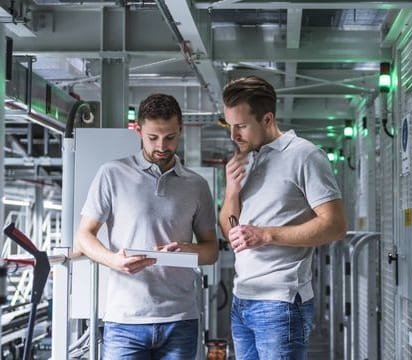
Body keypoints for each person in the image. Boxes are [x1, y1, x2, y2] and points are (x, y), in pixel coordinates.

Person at [75, 93, 218, 360]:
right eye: (153, 137)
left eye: (170, 137)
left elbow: (211, 251)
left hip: (181, 319)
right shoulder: (112, 174)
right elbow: (84, 235)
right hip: (125, 320)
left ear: (180, 131)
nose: (162, 146)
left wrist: (187, 249)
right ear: (138, 131)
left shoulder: (197, 185)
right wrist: (112, 260)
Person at [218, 76, 347, 359]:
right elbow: (230, 226)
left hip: (281, 301)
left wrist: (266, 235)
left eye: (240, 126)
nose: (233, 135)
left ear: (267, 119)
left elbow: (335, 225)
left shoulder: (304, 155)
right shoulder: (247, 158)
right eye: (230, 126)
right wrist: (231, 191)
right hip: (243, 297)